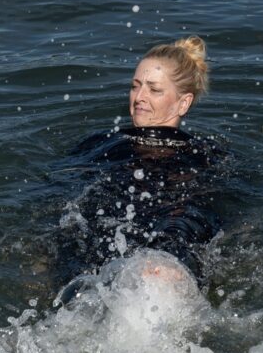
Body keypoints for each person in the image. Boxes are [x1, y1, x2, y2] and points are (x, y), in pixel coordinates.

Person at [53, 36, 225, 287]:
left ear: (183, 102)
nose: (139, 97)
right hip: (105, 236)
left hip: (173, 240)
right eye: (135, 86)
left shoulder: (206, 155)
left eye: (154, 90)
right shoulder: (97, 144)